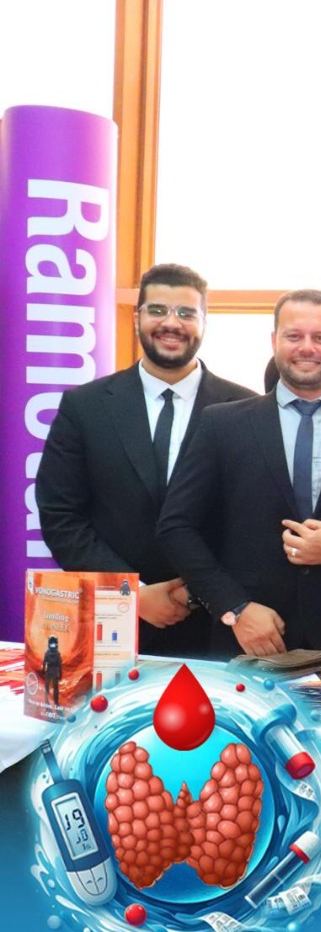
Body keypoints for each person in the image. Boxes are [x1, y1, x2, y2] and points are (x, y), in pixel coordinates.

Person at [158, 290, 321, 670]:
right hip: (244, 638)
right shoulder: (222, 423)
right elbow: (176, 527)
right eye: (293, 336)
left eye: (320, 337)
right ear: (274, 341)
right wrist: (234, 607)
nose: (307, 347)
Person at [37, 263, 256, 656]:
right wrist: (131, 593)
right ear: (137, 317)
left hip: (219, 627)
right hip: (112, 628)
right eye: (157, 310)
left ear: (204, 323)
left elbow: (253, 521)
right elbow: (61, 515)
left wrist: (198, 592)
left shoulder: (246, 409)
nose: (171, 323)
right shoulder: (85, 407)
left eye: (186, 313)